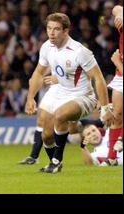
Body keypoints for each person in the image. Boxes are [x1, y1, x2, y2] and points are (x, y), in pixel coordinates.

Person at [25, 13, 114, 173]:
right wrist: (30, 97)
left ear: (66, 31)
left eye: (57, 29)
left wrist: (106, 108)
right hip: (58, 91)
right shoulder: (46, 47)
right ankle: (54, 162)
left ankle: (57, 160)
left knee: (60, 115)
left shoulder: (79, 51)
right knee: (46, 134)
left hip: (82, 95)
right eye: (49, 28)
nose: (51, 33)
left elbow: (98, 78)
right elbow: (39, 73)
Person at [104, 5, 123, 166]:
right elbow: (116, 8)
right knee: (117, 115)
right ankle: (111, 158)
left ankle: (122, 139)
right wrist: (121, 13)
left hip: (121, 68)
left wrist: (117, 61)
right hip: (120, 75)